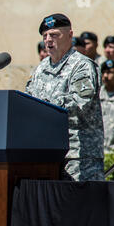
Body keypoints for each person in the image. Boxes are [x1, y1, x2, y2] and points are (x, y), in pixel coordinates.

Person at [26, 13, 104, 181]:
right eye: (45, 36)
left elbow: (79, 103)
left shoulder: (82, 65)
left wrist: (43, 106)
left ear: (70, 35)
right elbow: (28, 101)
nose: (48, 40)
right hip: (48, 154)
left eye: (54, 35)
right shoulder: (40, 69)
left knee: (81, 206)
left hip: (79, 156)